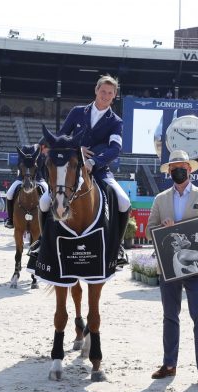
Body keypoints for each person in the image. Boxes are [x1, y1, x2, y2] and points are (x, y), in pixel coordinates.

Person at [147, 149, 198, 389]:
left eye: (182, 167)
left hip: (197, 268)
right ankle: (169, 364)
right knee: (169, 316)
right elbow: (149, 230)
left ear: (189, 169)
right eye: (174, 167)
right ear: (169, 172)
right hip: (169, 266)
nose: (178, 170)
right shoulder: (160, 199)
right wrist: (163, 229)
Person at [47, 74, 131, 265]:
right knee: (45, 201)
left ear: (114, 95)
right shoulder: (77, 112)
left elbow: (115, 149)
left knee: (124, 202)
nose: (105, 96)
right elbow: (61, 137)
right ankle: (41, 243)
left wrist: (94, 162)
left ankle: (117, 247)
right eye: (103, 91)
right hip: (70, 171)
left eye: (110, 93)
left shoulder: (116, 121)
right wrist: (76, 149)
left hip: (99, 170)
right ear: (96, 90)